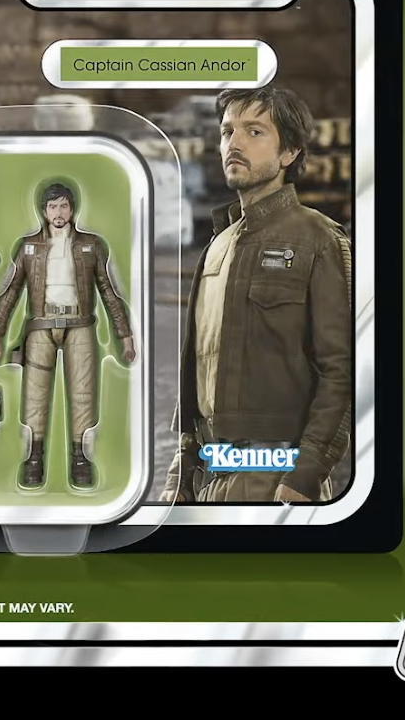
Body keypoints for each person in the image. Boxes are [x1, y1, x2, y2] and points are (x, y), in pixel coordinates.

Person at [163, 86, 354, 504]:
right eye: (227, 131)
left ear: (290, 152)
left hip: (275, 479)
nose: (234, 143)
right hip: (209, 480)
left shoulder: (318, 239)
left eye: (254, 131)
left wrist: (305, 475)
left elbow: (343, 371)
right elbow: (198, 370)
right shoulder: (218, 244)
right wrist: (181, 472)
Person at [0, 183, 135, 490]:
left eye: (64, 206)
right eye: (53, 206)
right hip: (40, 326)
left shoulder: (91, 246)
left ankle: (81, 458)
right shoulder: (29, 247)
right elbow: (10, 292)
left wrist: (125, 335)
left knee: (83, 394)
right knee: (35, 395)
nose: (58, 212)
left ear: (72, 209)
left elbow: (109, 292)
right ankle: (34, 457)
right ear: (44, 211)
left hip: (80, 324)